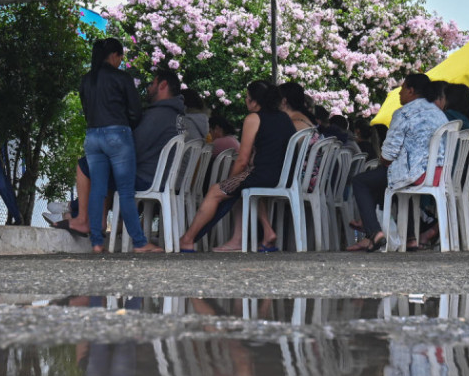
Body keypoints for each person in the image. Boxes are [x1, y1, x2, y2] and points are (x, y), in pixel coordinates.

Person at [62, 68, 183, 253]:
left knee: (86, 164)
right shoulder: (177, 116)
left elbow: (131, 147)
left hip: (147, 179)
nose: (148, 88)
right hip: (162, 178)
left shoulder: (158, 115)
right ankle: (95, 219)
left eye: (152, 84)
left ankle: (82, 218)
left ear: (163, 85)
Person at [178, 81, 295, 253]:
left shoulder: (254, 118)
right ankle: (261, 234)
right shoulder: (284, 118)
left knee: (215, 191)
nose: (246, 101)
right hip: (284, 176)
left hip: (262, 175)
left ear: (255, 101)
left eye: (248, 98)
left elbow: (242, 159)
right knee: (245, 191)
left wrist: (228, 182)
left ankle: (187, 240)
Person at [348, 74, 450, 252]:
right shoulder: (439, 114)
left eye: (402, 88)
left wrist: (385, 162)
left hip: (414, 174)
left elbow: (388, 153)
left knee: (362, 181)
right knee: (389, 179)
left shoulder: (404, 113)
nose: (399, 93)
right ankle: (410, 237)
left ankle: (374, 233)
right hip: (438, 174)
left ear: (411, 90)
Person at [79, 38, 150, 253]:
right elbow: (135, 112)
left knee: (97, 191)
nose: (121, 61)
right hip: (117, 134)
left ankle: (97, 243)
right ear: (115, 55)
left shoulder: (86, 80)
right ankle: (139, 243)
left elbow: (86, 110)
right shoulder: (122, 78)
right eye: (121, 57)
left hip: (92, 136)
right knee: (126, 191)